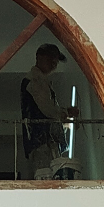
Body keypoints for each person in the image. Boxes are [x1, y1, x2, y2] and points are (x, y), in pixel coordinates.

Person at [21, 43, 79, 172]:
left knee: (51, 174)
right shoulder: (34, 80)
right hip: (41, 142)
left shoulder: (42, 81)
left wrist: (65, 120)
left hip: (45, 141)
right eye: (51, 58)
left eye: (56, 60)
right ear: (39, 57)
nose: (54, 63)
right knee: (46, 175)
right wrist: (66, 113)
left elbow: (49, 111)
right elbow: (47, 109)